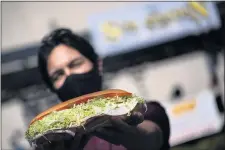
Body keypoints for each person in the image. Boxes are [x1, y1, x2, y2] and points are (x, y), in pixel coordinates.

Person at [37, 28, 170, 150]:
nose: (69, 75)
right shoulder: (57, 141)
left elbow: (152, 136)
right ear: (51, 88)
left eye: (75, 64)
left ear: (98, 65)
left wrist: (131, 134)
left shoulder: (143, 111)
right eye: (58, 75)